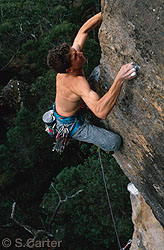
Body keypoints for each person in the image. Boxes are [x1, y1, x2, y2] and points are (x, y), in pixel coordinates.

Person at [47, 12, 137, 152]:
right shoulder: (77, 83)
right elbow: (100, 112)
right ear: (69, 70)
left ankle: (85, 106)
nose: (80, 53)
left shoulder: (67, 64)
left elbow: (83, 30)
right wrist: (120, 79)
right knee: (114, 142)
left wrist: (106, 12)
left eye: (75, 51)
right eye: (76, 56)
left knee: (98, 70)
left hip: (72, 107)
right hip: (70, 125)